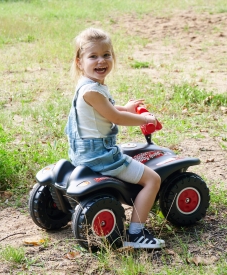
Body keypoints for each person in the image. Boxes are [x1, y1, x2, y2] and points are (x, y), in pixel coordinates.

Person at [65, 27, 165, 249]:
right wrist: (144, 119)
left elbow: (106, 108)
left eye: (106, 54)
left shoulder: (86, 84)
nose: (101, 60)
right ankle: (136, 234)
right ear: (80, 62)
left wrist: (127, 107)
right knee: (153, 180)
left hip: (82, 152)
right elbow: (116, 117)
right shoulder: (92, 90)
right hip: (100, 156)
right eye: (93, 56)